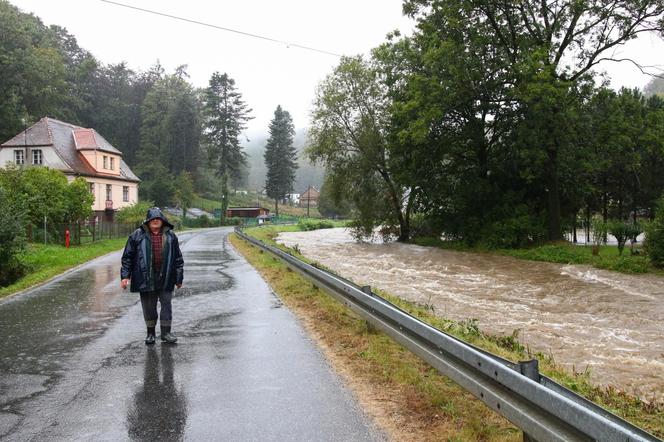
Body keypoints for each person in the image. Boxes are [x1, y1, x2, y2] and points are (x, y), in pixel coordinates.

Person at [121, 207, 184, 345]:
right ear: (147, 221)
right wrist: (125, 276)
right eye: (152, 219)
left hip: (166, 276)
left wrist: (178, 278)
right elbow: (127, 257)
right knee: (149, 306)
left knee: (166, 305)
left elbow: (178, 259)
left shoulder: (171, 236)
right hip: (145, 277)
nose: (155, 221)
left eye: (158, 219)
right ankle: (150, 334)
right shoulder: (136, 235)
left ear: (162, 221)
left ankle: (166, 333)